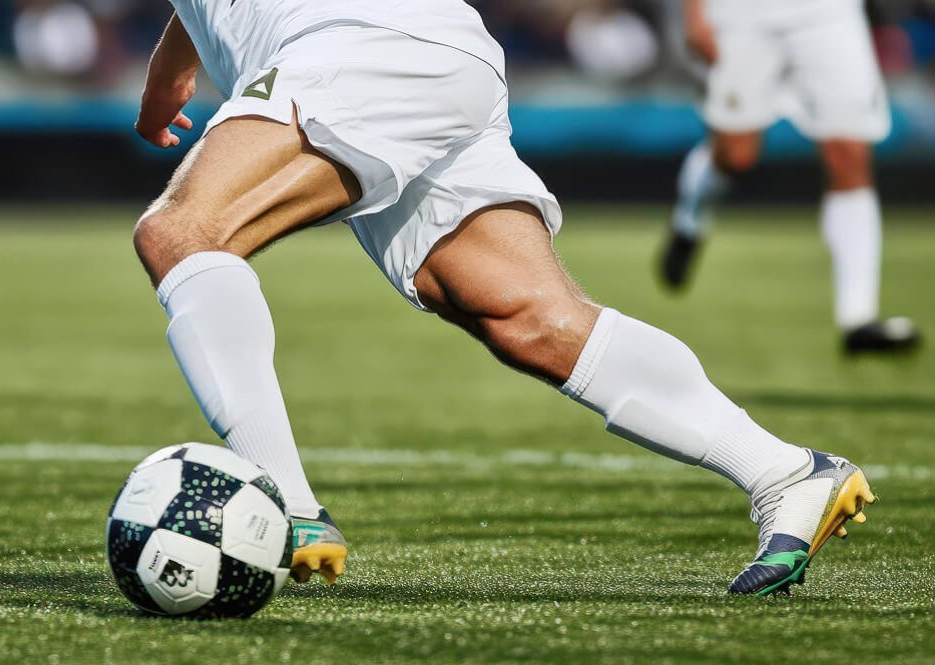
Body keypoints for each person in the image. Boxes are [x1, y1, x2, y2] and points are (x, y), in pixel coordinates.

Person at [131, 0, 874, 596]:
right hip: (437, 49)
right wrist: (173, 70)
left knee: (181, 232)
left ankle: (290, 507)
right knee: (532, 320)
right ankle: (785, 473)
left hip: (358, 43)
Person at [662, 0, 920, 355]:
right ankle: (690, 219)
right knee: (735, 154)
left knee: (849, 153)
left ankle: (858, 318)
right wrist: (694, 14)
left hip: (827, 13)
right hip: (740, 13)